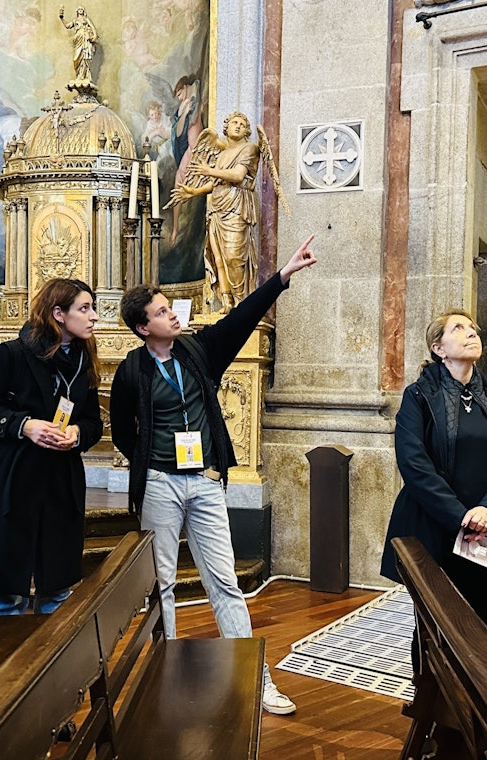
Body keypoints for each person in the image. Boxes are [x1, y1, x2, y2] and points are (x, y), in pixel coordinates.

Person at [110, 235, 318, 715]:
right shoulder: (131, 371)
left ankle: (252, 676)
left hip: (203, 481)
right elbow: (123, 432)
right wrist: (154, 462)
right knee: (161, 582)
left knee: (223, 580)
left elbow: (240, 318)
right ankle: (162, 673)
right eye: (162, 312)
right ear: (143, 328)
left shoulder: (198, 351)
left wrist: (281, 277)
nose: (172, 314)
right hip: (160, 483)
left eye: (169, 308)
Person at [380, 310, 487, 643]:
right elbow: (414, 464)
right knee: (433, 628)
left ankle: (476, 695)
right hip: (434, 526)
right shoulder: (418, 396)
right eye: (459, 328)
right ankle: (428, 694)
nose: (471, 333)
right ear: (439, 348)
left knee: (482, 626)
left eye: (473, 328)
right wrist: (461, 516)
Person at [0, 278, 104, 615]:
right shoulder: (11, 355)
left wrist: (76, 433)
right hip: (15, 477)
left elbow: (93, 423)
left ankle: (53, 663)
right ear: (58, 313)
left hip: (61, 480)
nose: (94, 317)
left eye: (92, 308)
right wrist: (25, 426)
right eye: (84, 309)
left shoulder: (83, 361)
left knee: (57, 588)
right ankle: (4, 662)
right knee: (7, 594)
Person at [175, 112, 260, 312]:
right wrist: (194, 192)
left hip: (236, 205)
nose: (238, 126)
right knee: (219, 257)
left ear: (247, 130)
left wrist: (209, 171)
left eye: (242, 124)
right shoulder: (221, 154)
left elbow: (238, 175)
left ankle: (243, 304)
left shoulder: (250, 149)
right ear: (226, 127)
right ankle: (227, 302)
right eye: (234, 123)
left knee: (234, 256)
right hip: (216, 207)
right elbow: (215, 184)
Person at [59, 5, 98, 83]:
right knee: (76, 58)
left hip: (85, 40)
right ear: (77, 11)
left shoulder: (86, 19)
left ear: (83, 11)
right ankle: (79, 75)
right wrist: (62, 18)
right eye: (79, 9)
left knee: (85, 57)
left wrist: (94, 35)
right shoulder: (75, 20)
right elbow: (67, 26)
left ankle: (85, 76)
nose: (80, 10)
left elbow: (92, 27)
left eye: (82, 9)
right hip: (78, 41)